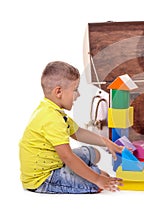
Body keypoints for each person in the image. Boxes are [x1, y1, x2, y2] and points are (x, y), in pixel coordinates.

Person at [19, 61, 123, 194]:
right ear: (58, 92)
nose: (78, 95)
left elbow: (78, 132)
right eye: (75, 90)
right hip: (44, 178)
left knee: (94, 153)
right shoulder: (52, 119)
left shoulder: (51, 109)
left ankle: (86, 170)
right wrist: (97, 178)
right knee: (102, 181)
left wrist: (106, 142)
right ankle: (90, 172)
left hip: (55, 161)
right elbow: (67, 157)